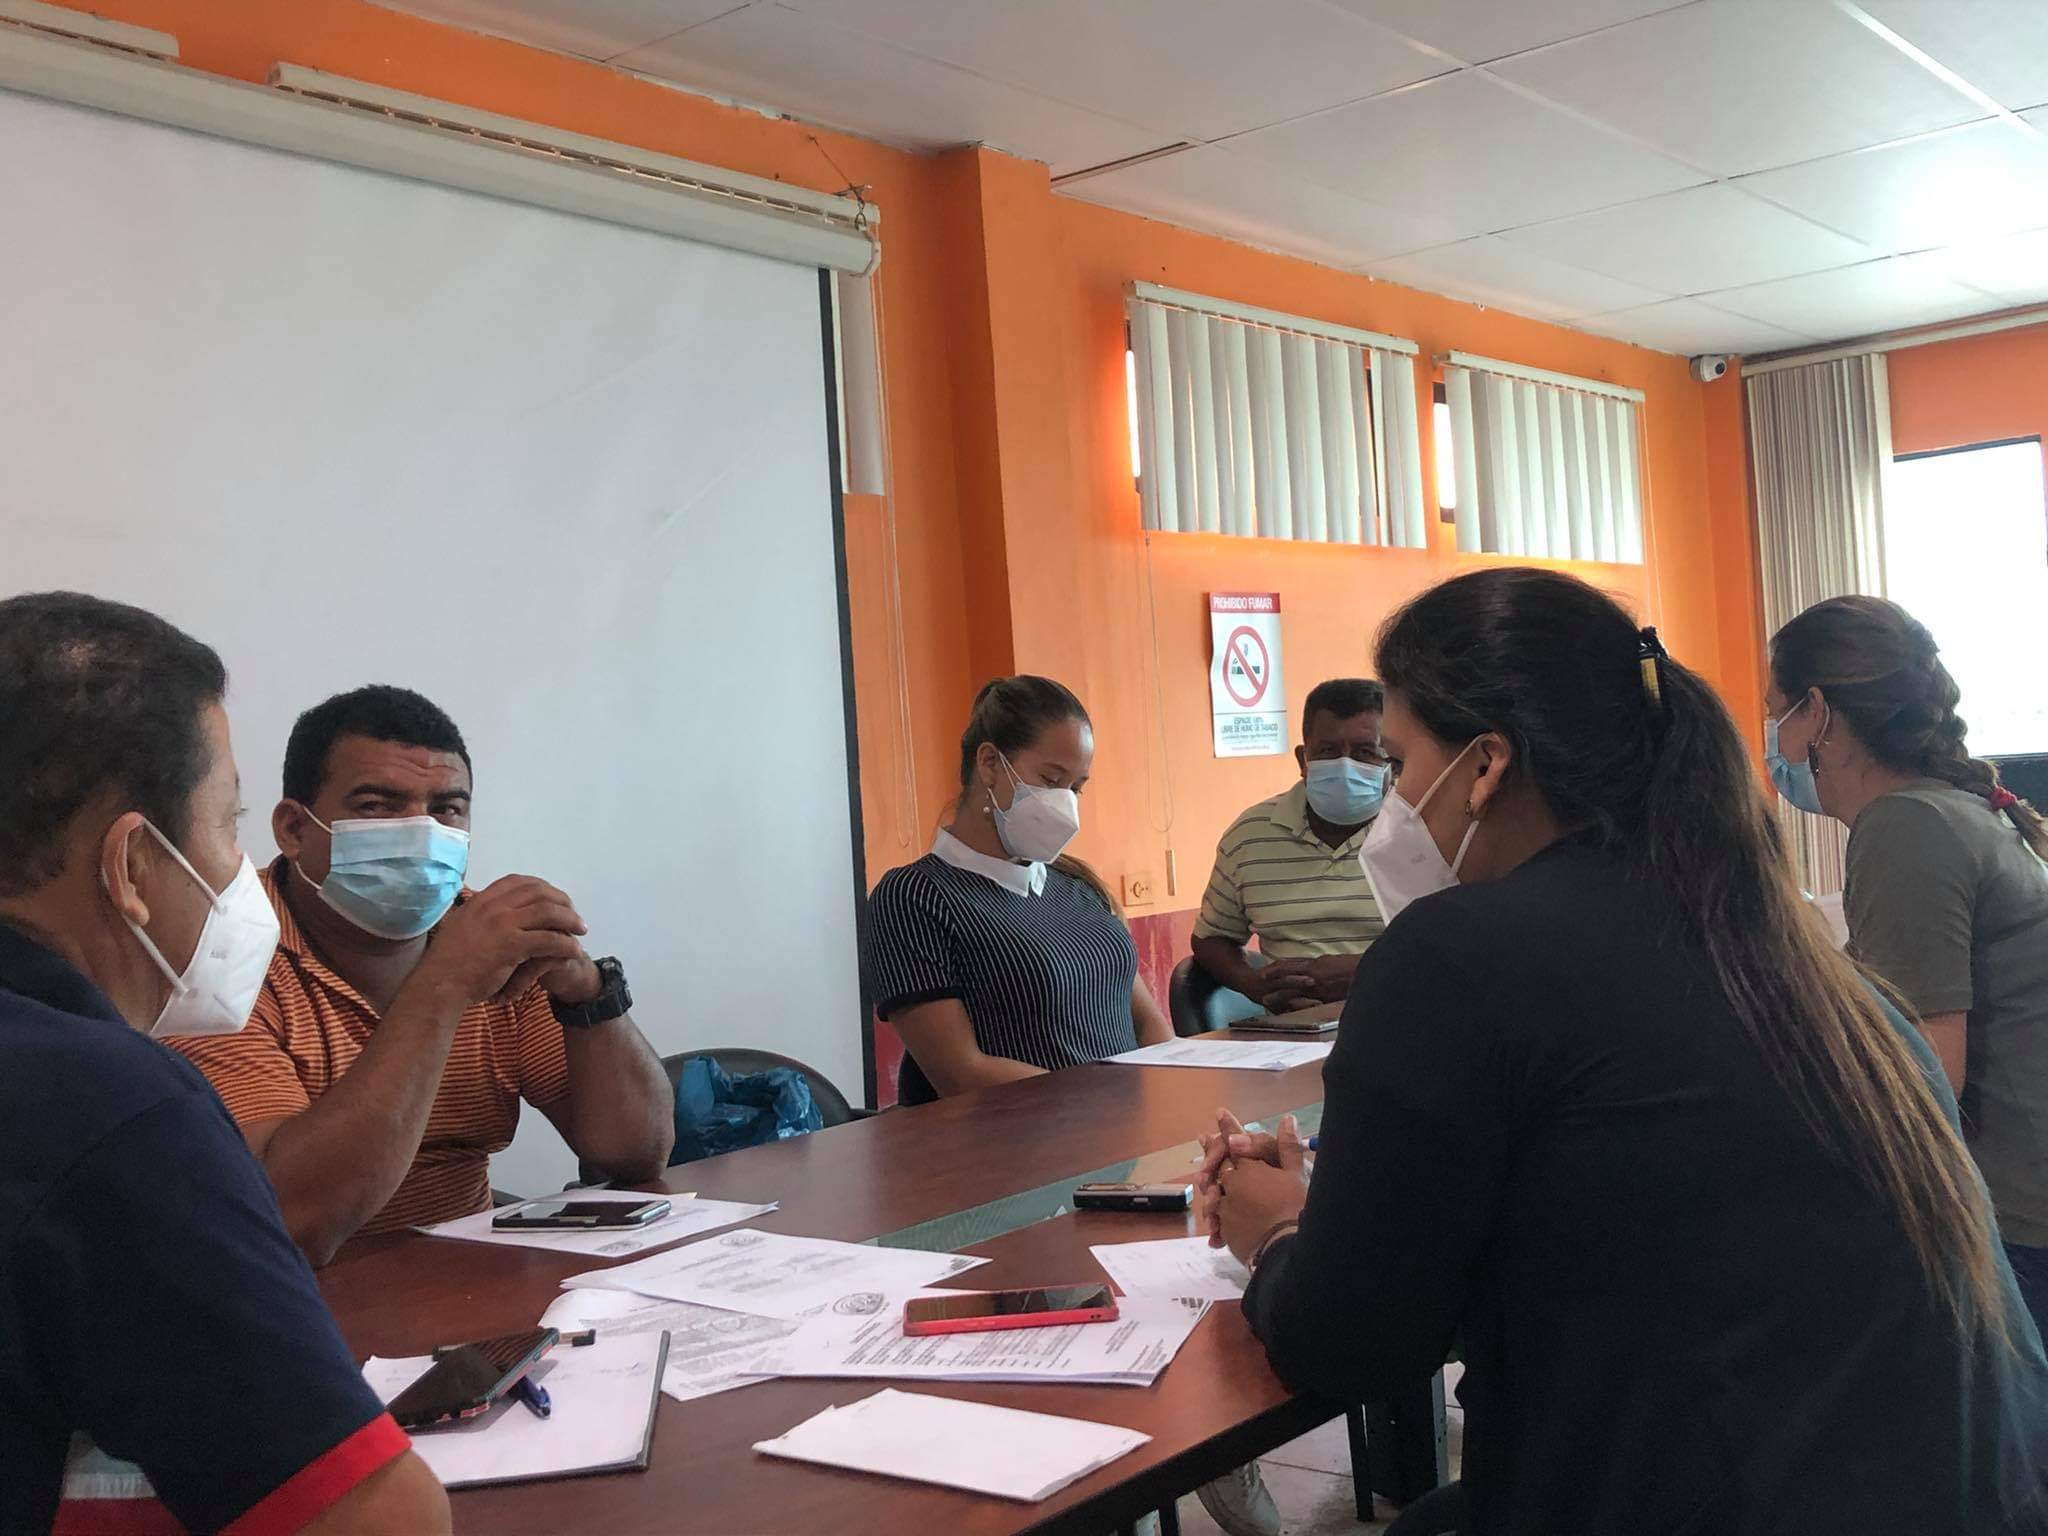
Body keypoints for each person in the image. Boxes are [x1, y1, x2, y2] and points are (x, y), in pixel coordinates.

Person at [1199, 569, 2048, 1535]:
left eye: (1395, 762)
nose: (1387, 802)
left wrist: (1277, 1230)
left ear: (1486, 764)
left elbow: (1351, 1346)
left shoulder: (1454, 954)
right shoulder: (1772, 936)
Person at [0, 592, 449, 1536]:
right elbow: (379, 1523)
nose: (237, 871)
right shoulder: (111, 1106)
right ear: (132, 866)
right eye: (226, 822)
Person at [171, 685, 673, 1267]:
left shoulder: (494, 938)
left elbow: (636, 1156)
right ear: (294, 829)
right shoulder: (214, 954)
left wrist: (590, 996)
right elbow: (295, 1219)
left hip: (469, 1286)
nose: (422, 832)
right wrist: (445, 985)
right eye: (377, 806)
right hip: (303, 1299)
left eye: (447, 809)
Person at [1768, 595, 2048, 1335]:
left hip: (2019, 1219)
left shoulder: (1907, 826)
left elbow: (1925, 1072)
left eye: (1776, 712)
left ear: (1817, 713)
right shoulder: (1952, 810)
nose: (1773, 742)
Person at [863, 675, 1173, 1105]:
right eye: (1050, 779)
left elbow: (1148, 1023)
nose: (1065, 804)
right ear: (989, 763)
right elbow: (960, 1072)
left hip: (1119, 1130)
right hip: (1019, 1139)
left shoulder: (1077, 885)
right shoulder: (914, 897)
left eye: (1076, 788)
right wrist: (1097, 1104)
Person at [1192, 678, 1390, 1012]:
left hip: (1404, 1023)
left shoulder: (1427, 830)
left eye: (1365, 753)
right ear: (1302, 759)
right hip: (1292, 1029)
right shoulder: (1250, 835)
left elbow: (1455, 944)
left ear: (1393, 760)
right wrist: (1252, 984)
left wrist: (1368, 972)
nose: (1345, 765)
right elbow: (1211, 938)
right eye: (1327, 751)